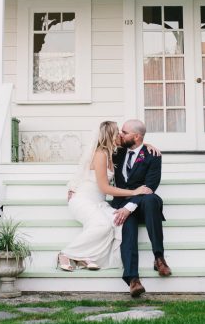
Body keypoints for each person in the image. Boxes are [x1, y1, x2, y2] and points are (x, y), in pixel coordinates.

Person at [57, 121, 153, 272]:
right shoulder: (100, 154)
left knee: (116, 222)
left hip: (98, 202)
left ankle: (85, 257)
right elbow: (104, 188)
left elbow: (135, 142)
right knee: (102, 225)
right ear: (111, 136)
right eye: (118, 133)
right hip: (83, 200)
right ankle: (65, 253)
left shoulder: (111, 152)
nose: (121, 135)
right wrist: (134, 192)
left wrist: (147, 146)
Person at [111, 119, 171, 298]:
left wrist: (130, 206)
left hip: (145, 205)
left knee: (151, 198)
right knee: (127, 223)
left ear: (136, 136)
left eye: (124, 132)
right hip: (121, 203)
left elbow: (150, 186)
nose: (120, 134)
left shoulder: (153, 156)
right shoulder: (117, 152)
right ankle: (133, 279)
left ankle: (159, 257)